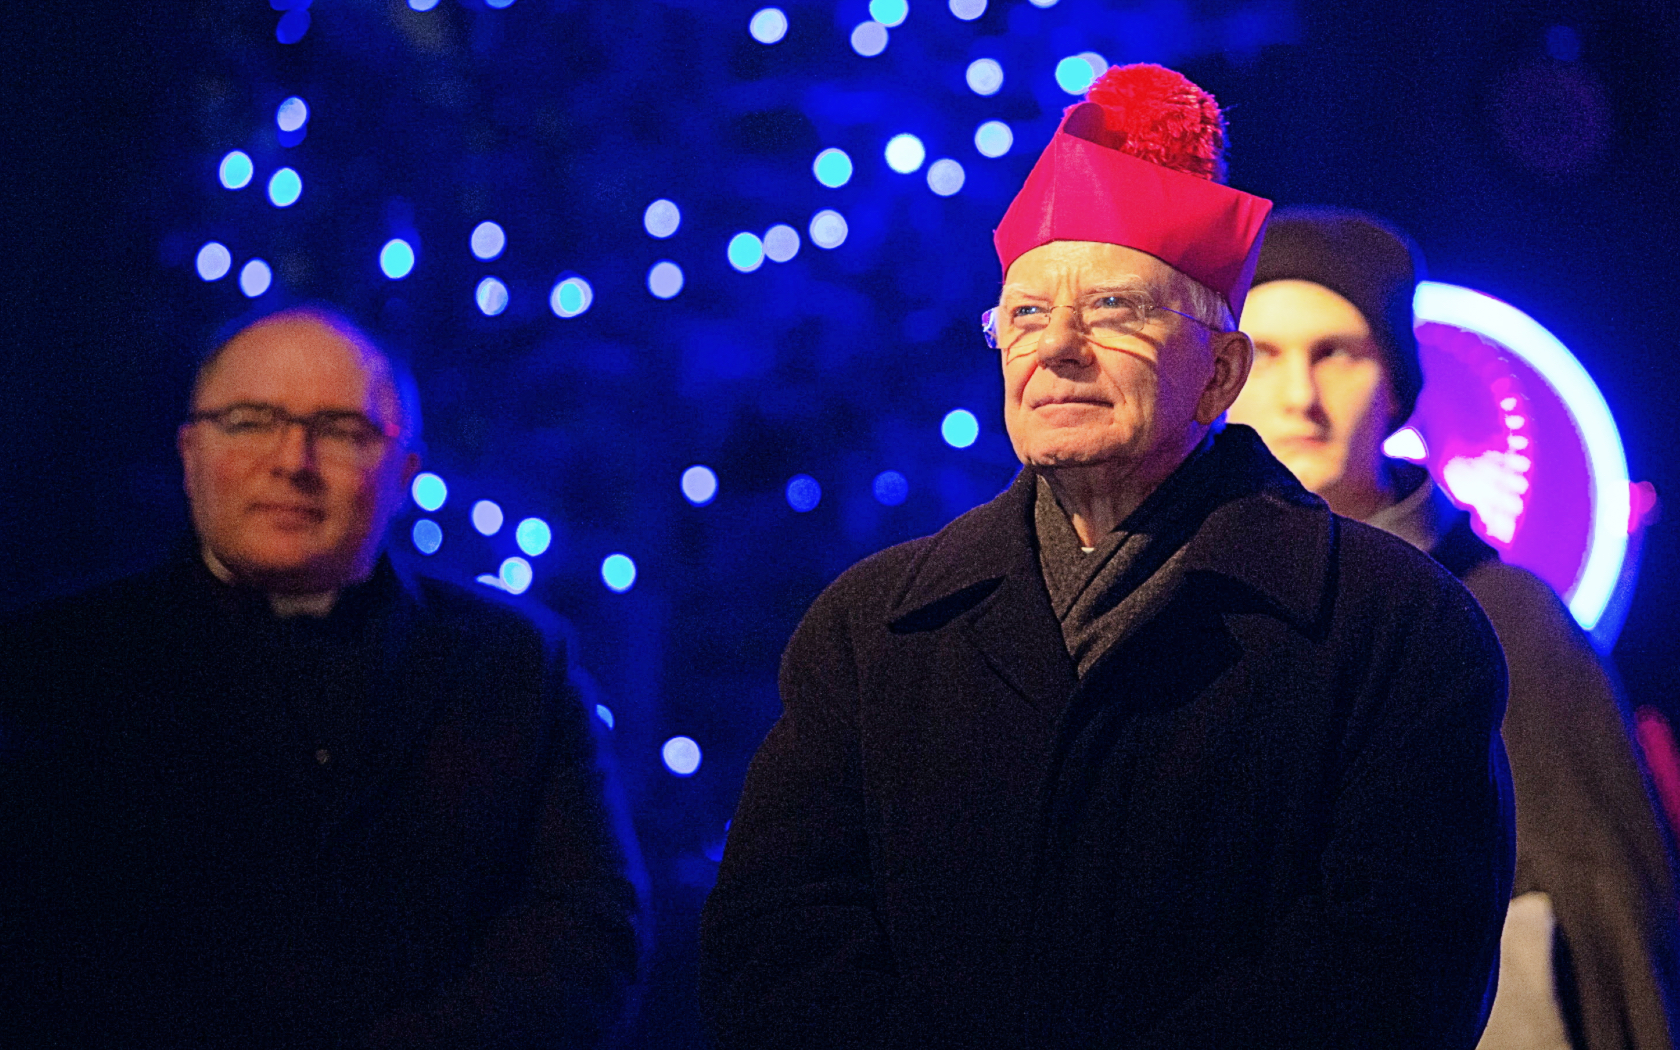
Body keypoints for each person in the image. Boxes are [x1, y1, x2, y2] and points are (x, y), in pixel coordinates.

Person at [701, 65, 1514, 1050]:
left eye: (1116, 309)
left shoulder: (1395, 626)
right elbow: (777, 945)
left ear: (1219, 372)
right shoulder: (872, 628)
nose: (1059, 348)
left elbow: (1394, 970)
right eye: (1025, 315)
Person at [0, 306, 645, 1049]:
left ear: (406, 473)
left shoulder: (517, 661)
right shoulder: (48, 662)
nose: (292, 462)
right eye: (250, 421)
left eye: (340, 430)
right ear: (189, 452)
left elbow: (587, 927)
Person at [1226, 208, 1680, 1050]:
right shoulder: (1188, 607)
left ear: (1397, 383)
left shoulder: (1508, 618)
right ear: (1221, 376)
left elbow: (1606, 916)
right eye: (1266, 354)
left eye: (1337, 353)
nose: (1300, 397)